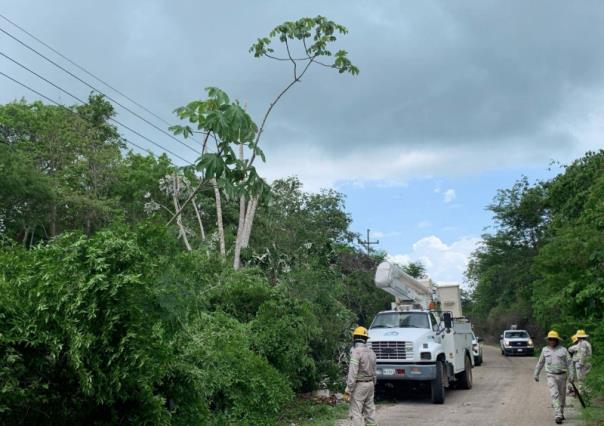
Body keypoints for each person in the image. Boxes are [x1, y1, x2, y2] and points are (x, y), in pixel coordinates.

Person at [534, 330, 574, 424]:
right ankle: (558, 414)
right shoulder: (545, 350)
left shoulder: (563, 350)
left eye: (554, 339)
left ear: (557, 340)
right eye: (550, 339)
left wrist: (572, 375)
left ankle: (561, 412)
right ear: (548, 340)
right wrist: (536, 373)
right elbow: (540, 362)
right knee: (554, 394)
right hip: (551, 375)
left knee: (562, 396)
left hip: (562, 376)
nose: (552, 341)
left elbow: (570, 363)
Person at [344, 326, 377, 426]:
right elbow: (375, 372)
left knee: (356, 412)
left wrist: (348, 389)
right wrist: (373, 384)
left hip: (360, 386)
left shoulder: (356, 352)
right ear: (366, 339)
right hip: (370, 385)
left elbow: (353, 373)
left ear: (355, 338)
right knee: (370, 411)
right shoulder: (372, 352)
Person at [569, 329, 592, 394]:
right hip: (588, 362)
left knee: (581, 379)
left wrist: (580, 363)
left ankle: (582, 393)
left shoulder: (582, 343)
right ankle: (587, 393)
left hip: (583, 364)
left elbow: (583, 353)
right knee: (586, 378)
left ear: (579, 337)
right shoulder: (587, 343)